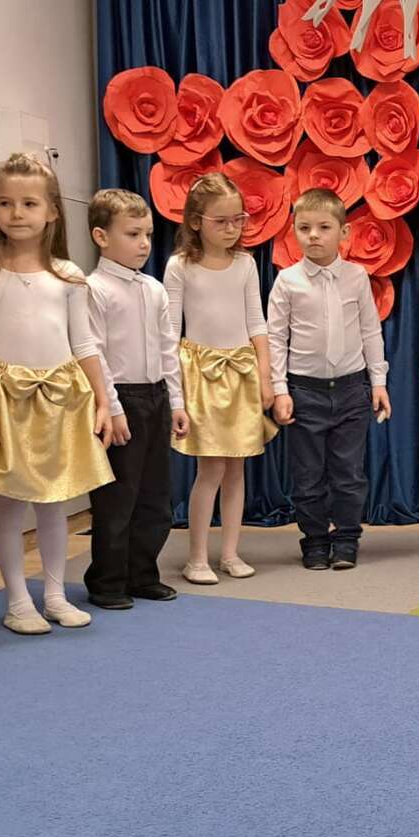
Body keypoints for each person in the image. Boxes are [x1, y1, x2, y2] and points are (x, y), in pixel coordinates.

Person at [0, 153, 114, 634]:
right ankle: (17, 600)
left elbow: (84, 343)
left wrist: (103, 400)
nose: (17, 213)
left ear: (51, 212)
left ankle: (53, 594)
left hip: (61, 396)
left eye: (29, 203)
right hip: (6, 398)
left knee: (54, 501)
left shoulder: (68, 275)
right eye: (5, 203)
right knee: (9, 502)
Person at [266, 188, 390, 570]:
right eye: (304, 228)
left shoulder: (357, 277)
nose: (314, 236)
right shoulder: (287, 281)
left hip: (352, 388)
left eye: (323, 227)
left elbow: (370, 331)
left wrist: (379, 382)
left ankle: (347, 539)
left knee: (349, 473)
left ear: (344, 232)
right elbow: (275, 338)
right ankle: (315, 540)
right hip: (305, 391)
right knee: (308, 476)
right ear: (293, 231)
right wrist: (280, 390)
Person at [165, 173, 276, 584]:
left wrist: (265, 376)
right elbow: (169, 330)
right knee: (210, 468)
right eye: (222, 221)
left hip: (241, 371)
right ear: (196, 221)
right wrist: (176, 393)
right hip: (202, 373)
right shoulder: (180, 266)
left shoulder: (245, 264)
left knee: (236, 469)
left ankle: (230, 552)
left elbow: (256, 323)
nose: (232, 229)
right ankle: (196, 557)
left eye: (238, 220)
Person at [84, 188, 185, 610]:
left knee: (155, 496)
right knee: (117, 498)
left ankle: (143, 574)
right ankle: (107, 581)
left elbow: (167, 349)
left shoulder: (154, 289)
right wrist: (113, 408)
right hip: (120, 400)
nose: (144, 243)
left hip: (156, 396)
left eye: (147, 234)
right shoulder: (93, 288)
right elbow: (95, 353)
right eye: (132, 234)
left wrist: (176, 402)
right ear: (101, 236)